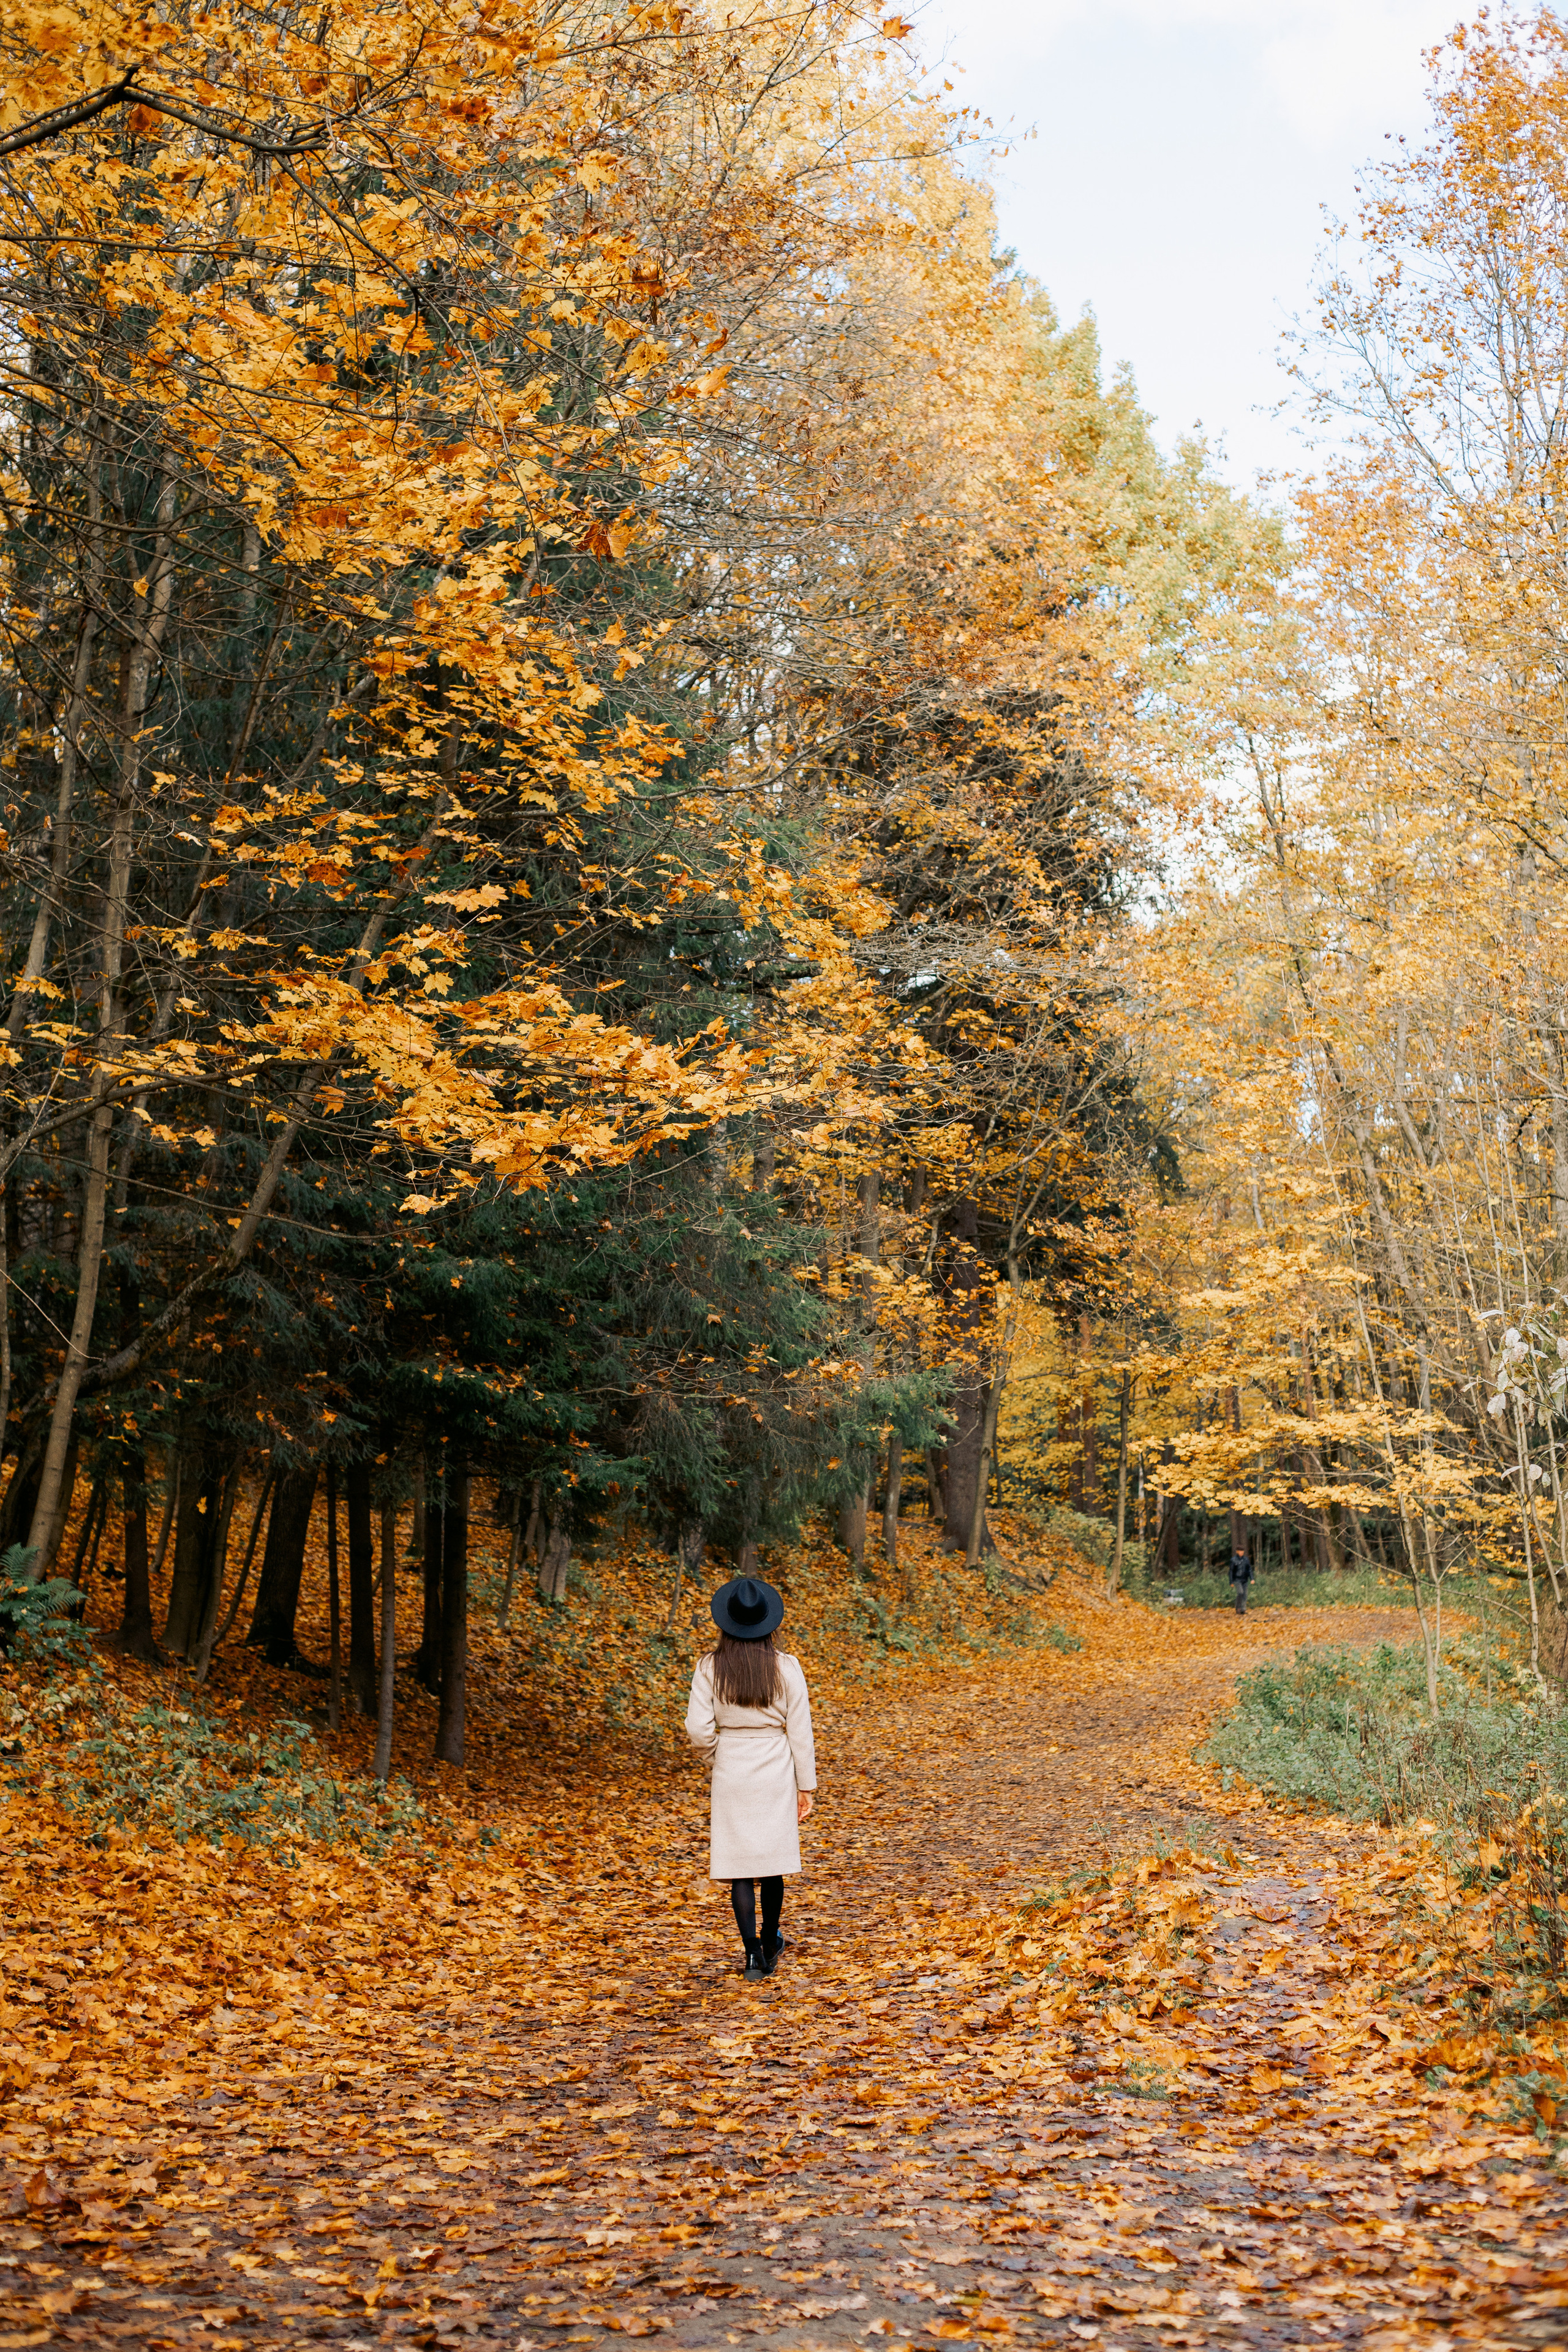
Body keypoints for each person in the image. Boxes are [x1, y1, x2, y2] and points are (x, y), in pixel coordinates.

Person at [685, 1574, 816, 1980]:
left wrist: (717, 1754)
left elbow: (697, 1729)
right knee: (772, 1861)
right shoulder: (786, 1666)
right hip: (775, 1765)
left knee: (739, 1864)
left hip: (732, 1768)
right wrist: (806, 1784)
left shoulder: (710, 1667)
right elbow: (800, 1729)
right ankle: (771, 1939)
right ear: (767, 1622)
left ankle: (752, 1956)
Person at [1229, 1545, 1254, 1616]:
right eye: (1240, 1551)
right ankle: (1238, 1608)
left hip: (1245, 1579)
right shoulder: (1233, 1560)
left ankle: (1243, 1609)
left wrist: (1252, 1578)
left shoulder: (1246, 1559)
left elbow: (1249, 1569)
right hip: (1237, 1579)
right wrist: (1231, 1581)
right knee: (1240, 1593)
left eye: (1243, 1551)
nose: (1242, 1552)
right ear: (1237, 1552)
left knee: (1245, 1594)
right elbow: (1231, 1571)